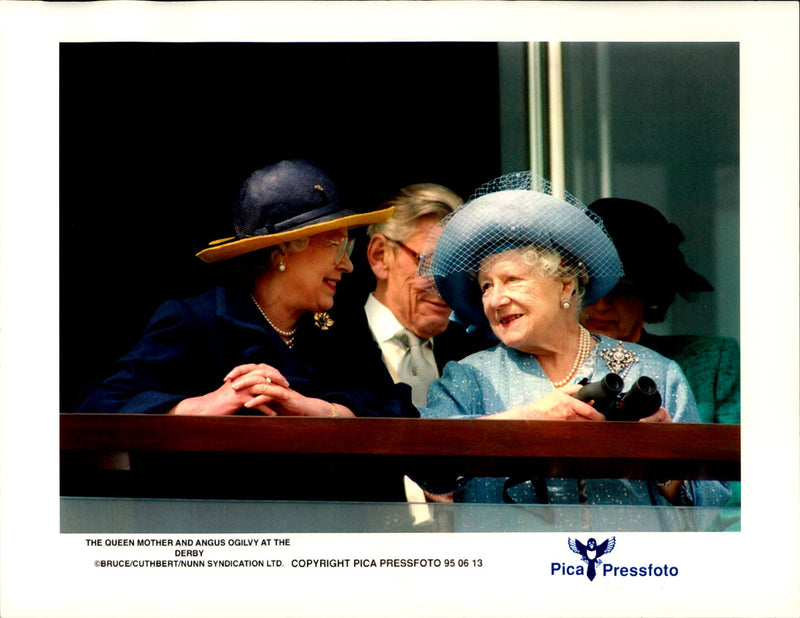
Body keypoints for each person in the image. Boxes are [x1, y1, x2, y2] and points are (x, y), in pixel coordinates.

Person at [76, 159, 419, 500]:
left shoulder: (341, 325)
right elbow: (95, 407)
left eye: (350, 246)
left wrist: (318, 410)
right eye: (337, 244)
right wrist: (199, 407)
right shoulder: (197, 320)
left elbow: (399, 414)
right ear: (284, 249)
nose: (348, 264)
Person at [418, 171, 731, 509]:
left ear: (565, 285)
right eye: (486, 286)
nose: (496, 299)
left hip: (629, 562)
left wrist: (661, 464)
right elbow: (429, 474)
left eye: (512, 279)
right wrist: (527, 420)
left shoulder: (656, 372)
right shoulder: (468, 378)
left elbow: (711, 506)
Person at [579, 197, 741, 526]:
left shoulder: (712, 362)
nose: (603, 304)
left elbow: (741, 496)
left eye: (621, 289)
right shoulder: (547, 365)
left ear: (651, 294)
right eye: (592, 287)